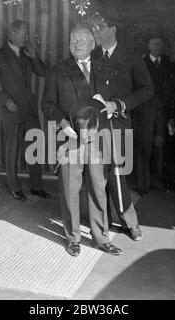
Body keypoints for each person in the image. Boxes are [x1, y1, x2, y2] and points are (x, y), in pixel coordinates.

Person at [42, 25, 122, 256]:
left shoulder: (105, 68)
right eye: (72, 40)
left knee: (98, 189)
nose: (76, 43)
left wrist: (109, 104)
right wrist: (62, 123)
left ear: (92, 44)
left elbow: (116, 98)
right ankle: (73, 238)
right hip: (70, 138)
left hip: (97, 139)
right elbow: (47, 104)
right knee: (69, 189)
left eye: (81, 39)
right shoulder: (57, 70)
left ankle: (101, 238)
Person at [89, 11, 154, 241]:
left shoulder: (131, 57)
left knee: (117, 174)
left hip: (118, 123)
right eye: (94, 28)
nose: (96, 32)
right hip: (94, 124)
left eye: (101, 27)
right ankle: (102, 221)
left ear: (113, 28)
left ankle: (130, 222)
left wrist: (118, 104)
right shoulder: (91, 55)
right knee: (97, 174)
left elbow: (147, 89)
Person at [0, 19, 49, 201]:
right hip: (11, 109)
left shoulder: (28, 53)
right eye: (22, 34)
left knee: (35, 148)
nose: (26, 38)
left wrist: (34, 56)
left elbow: (43, 72)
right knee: (12, 150)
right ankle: (14, 187)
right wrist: (4, 100)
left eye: (26, 34)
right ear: (12, 34)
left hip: (29, 108)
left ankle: (37, 186)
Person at [132, 35, 172, 195]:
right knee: (144, 148)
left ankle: (158, 181)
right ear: (147, 45)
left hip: (162, 111)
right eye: (154, 43)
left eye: (160, 43)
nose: (157, 45)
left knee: (159, 147)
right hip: (145, 110)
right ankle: (143, 184)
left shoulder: (168, 62)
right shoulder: (141, 63)